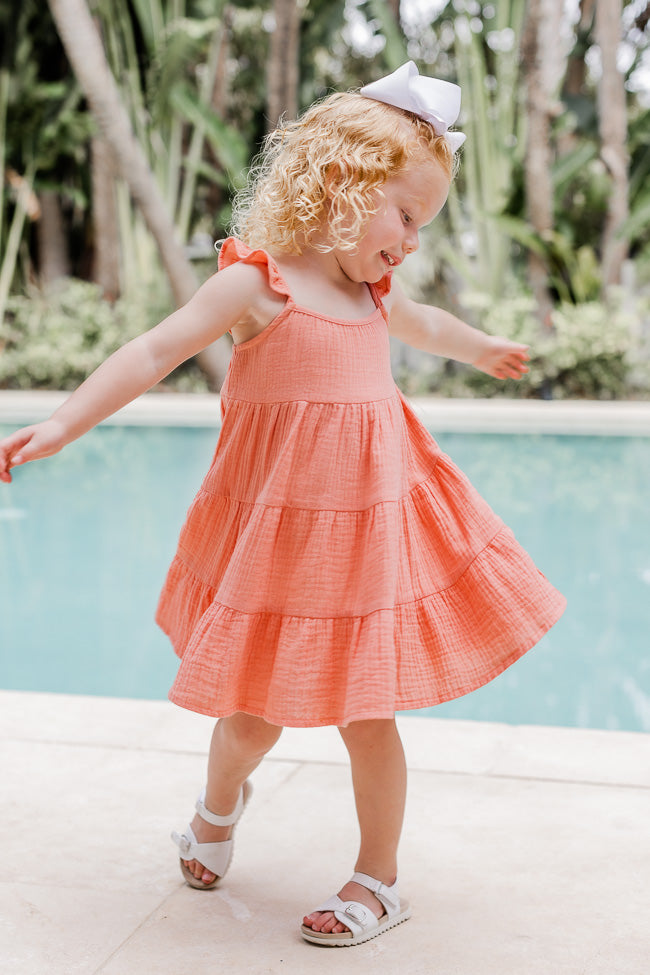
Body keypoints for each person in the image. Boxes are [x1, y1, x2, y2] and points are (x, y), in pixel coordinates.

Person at [0, 61, 566, 947]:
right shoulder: (256, 285)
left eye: (423, 223)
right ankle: (215, 812)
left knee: (368, 713)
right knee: (249, 717)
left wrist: (482, 345)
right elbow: (153, 350)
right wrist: (65, 421)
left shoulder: (375, 291)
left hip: (371, 536)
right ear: (341, 185)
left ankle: (378, 878)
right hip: (282, 544)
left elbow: (427, 328)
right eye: (406, 215)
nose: (411, 241)